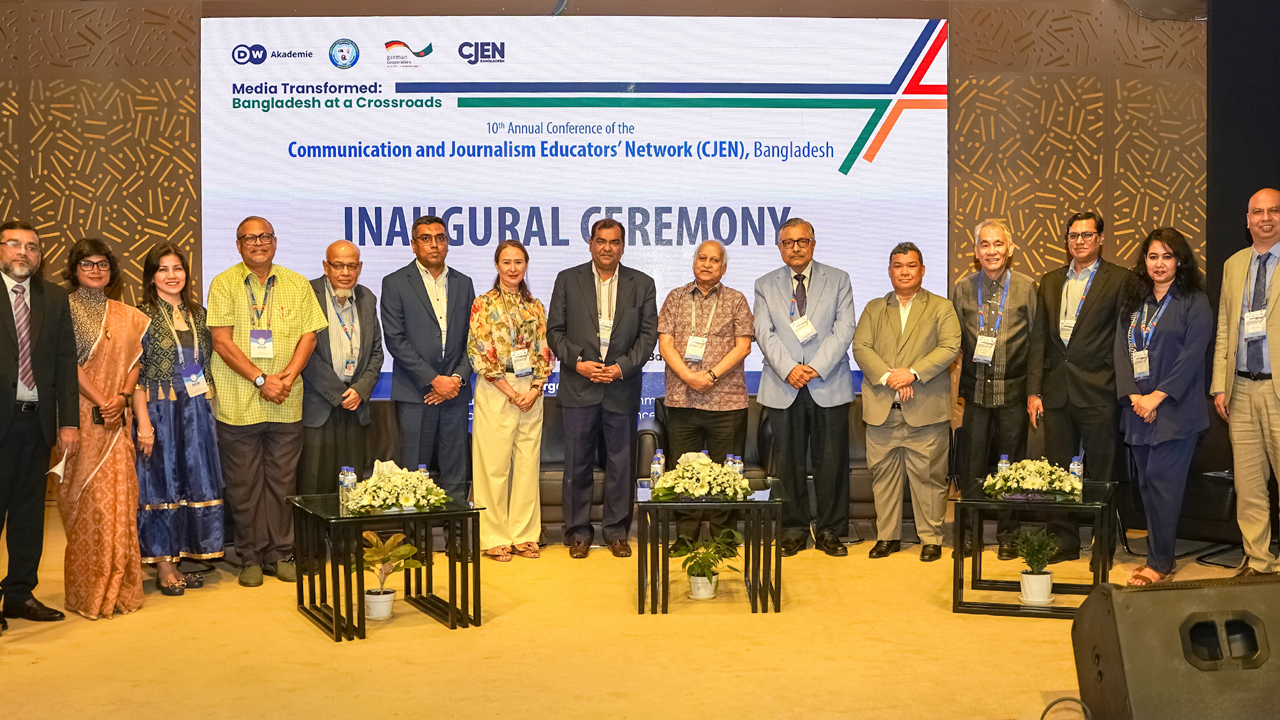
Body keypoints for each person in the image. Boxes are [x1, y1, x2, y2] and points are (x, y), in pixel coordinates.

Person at [208, 216, 326, 587]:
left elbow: (309, 337)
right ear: (238, 244)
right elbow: (221, 341)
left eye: (265, 237)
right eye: (249, 238)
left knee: (282, 483)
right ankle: (250, 557)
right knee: (243, 487)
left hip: (286, 401)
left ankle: (280, 553)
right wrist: (261, 379)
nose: (258, 243)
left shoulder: (296, 283)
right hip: (238, 403)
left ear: (274, 242)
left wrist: (286, 377)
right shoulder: (224, 283)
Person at [547, 218, 658, 559]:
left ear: (622, 246)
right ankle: (578, 533)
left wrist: (622, 367)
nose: (607, 248)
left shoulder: (642, 283)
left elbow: (648, 336)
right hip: (580, 386)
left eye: (614, 242)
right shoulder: (568, 279)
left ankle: (616, 532)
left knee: (621, 466)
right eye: (601, 241)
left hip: (621, 388)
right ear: (591, 244)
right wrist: (578, 362)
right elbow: (555, 331)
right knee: (577, 465)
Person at [1027, 211, 1134, 564]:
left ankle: (1103, 546)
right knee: (1059, 471)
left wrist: (1122, 385)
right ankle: (1064, 540)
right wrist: (1034, 390)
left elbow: (1125, 337)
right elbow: (1039, 339)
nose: (1080, 241)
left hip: (1099, 389)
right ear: (1067, 240)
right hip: (1057, 390)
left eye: (1087, 235)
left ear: (1100, 239)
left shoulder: (1119, 279)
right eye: (1073, 235)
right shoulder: (1050, 280)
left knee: (1103, 472)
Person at [58, 239, 150, 619]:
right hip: (79, 417)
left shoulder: (129, 315)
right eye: (87, 264)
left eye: (102, 264)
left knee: (121, 503)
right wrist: (102, 400)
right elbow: (66, 363)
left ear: (111, 271)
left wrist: (122, 398)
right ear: (75, 269)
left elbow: (134, 361)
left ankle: (121, 589)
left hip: (117, 417)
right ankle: (88, 590)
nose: (95, 270)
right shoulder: (62, 309)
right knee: (86, 504)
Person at [753, 218, 856, 557]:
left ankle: (831, 530)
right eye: (788, 242)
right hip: (783, 385)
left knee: (832, 463)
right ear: (779, 247)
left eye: (802, 241)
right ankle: (792, 530)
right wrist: (789, 369)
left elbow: (844, 327)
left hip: (828, 381)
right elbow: (763, 332)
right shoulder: (764, 284)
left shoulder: (838, 279)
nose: (795, 248)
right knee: (788, 464)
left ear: (813, 244)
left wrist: (815, 367)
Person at [852, 242, 961, 562]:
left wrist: (912, 374)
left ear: (922, 270)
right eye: (898, 266)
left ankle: (931, 539)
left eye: (911, 266)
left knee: (929, 477)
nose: (904, 272)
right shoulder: (874, 308)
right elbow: (861, 347)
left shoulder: (941, 307)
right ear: (889, 271)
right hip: (882, 409)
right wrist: (891, 378)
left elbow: (949, 347)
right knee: (883, 476)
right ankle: (887, 537)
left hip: (926, 410)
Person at [1115, 228, 1211, 585]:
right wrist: (1135, 397)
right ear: (1144, 261)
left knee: (1162, 485)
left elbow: (1192, 357)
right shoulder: (1134, 301)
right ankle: (1158, 556)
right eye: (1153, 256)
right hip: (1138, 410)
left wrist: (1158, 397)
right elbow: (1120, 352)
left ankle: (1159, 563)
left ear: (1180, 261)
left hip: (1175, 412)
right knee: (1146, 486)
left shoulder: (1194, 302)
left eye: (1167, 257)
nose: (1159, 264)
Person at [133, 243, 225, 596]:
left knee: (194, 480)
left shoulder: (199, 314)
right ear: (151, 276)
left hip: (195, 410)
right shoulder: (140, 317)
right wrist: (143, 424)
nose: (172, 276)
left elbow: (205, 366)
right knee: (161, 482)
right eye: (163, 269)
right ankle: (164, 565)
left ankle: (183, 554)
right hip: (158, 411)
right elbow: (134, 374)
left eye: (177, 268)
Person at [0, 221, 77, 633]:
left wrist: (69, 423)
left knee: (29, 514)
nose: (23, 252)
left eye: (32, 247)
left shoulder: (55, 297)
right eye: (14, 244)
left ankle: (19, 594)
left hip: (37, 422)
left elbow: (65, 364)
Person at [657, 240, 754, 551]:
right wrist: (689, 377)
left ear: (723, 268)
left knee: (728, 474)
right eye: (702, 258)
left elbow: (743, 346)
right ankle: (686, 537)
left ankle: (724, 538)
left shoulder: (736, 300)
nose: (707, 264)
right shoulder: (675, 298)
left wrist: (710, 376)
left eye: (714, 260)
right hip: (682, 400)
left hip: (727, 401)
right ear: (693, 263)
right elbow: (665, 344)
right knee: (684, 471)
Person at [952, 219, 1038, 560]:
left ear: (1010, 249)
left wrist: (1034, 391)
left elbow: (1037, 342)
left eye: (997, 244)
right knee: (971, 467)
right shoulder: (962, 288)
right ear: (976, 251)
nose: (991, 251)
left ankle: (1008, 536)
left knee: (1011, 467)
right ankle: (969, 534)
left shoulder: (1027, 287)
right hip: (975, 394)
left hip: (1013, 392)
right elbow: (953, 340)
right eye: (984, 244)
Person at [467, 240, 552, 562]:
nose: (513, 268)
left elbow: (544, 351)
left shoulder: (535, 306)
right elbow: (477, 352)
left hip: (530, 391)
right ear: (496, 265)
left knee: (527, 466)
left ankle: (525, 534)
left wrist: (535, 389)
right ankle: (493, 537)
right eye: (507, 262)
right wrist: (511, 392)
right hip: (496, 388)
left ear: (526, 265)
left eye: (518, 262)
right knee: (493, 466)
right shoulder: (483, 304)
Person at [381, 216, 475, 504]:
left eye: (440, 238)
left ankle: (456, 530)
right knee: (413, 476)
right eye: (426, 238)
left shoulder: (463, 283)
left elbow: (473, 339)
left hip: (455, 394)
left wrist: (455, 379)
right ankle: (414, 533)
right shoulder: (395, 283)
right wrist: (434, 380)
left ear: (447, 243)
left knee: (456, 474)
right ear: (413, 245)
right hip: (415, 392)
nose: (434, 244)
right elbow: (395, 340)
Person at [1211, 187, 1280, 577]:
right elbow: (1225, 325)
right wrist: (1220, 384)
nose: (1265, 218)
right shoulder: (1234, 264)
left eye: (1273, 211)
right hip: (1240, 388)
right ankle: (1258, 561)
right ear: (1247, 220)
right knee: (1249, 485)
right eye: (1258, 212)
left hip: (1277, 389)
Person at [298, 240, 384, 495]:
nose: (345, 273)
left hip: (355, 407)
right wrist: (339, 393)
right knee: (314, 486)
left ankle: (348, 527)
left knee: (351, 488)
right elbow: (302, 352)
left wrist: (359, 390)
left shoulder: (367, 298)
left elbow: (376, 353)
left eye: (352, 266)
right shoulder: (307, 293)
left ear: (360, 267)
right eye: (338, 266)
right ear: (326, 266)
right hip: (319, 406)